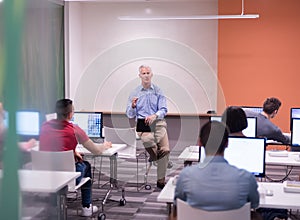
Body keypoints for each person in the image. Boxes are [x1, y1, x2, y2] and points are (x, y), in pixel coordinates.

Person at [173, 121, 261, 219]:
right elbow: (254, 204)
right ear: (227, 143)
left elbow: (178, 203)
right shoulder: (247, 178)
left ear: (199, 143)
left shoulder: (186, 175)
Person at [39, 98, 112, 217]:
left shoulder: (44, 126)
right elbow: (96, 150)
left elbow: (53, 147)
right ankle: (86, 207)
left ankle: (52, 206)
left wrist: (72, 151)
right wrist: (105, 145)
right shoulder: (74, 129)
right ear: (70, 114)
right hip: (68, 179)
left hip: (46, 176)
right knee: (86, 165)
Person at [126, 65, 170, 189]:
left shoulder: (158, 90)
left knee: (165, 150)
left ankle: (161, 182)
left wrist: (154, 116)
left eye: (148, 73)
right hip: (142, 124)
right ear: (139, 76)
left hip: (158, 122)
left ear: (152, 74)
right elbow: (129, 114)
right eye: (143, 73)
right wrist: (133, 106)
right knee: (147, 140)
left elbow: (163, 109)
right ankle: (157, 158)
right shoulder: (134, 92)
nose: (146, 75)